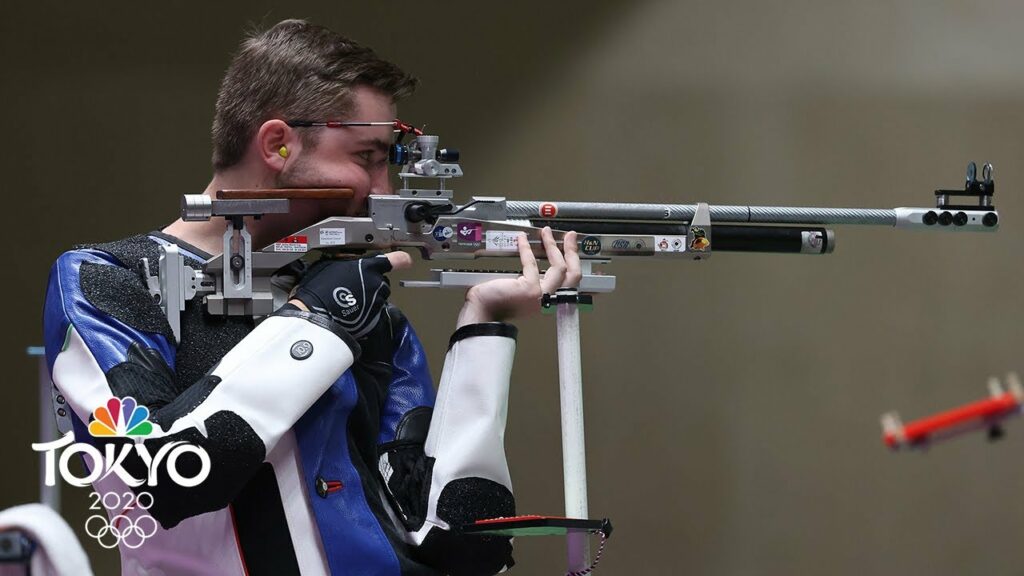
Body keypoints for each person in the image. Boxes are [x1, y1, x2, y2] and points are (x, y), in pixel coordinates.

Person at [43, 19, 581, 576]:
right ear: (278, 143)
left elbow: (464, 548)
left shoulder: (359, 311)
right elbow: (159, 477)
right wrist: (317, 321)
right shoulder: (106, 280)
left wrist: (483, 330)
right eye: (367, 157)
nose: (384, 192)